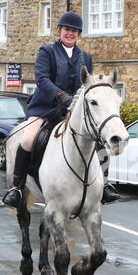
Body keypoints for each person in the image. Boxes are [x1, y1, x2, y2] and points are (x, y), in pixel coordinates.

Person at [2, 11, 119, 208]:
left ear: (79, 34)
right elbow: (42, 79)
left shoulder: (86, 57)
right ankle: (17, 188)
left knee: (97, 140)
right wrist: (60, 96)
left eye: (74, 31)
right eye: (67, 29)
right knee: (28, 139)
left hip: (72, 112)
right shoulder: (46, 51)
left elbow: (87, 85)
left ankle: (104, 185)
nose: (70, 33)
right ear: (59, 31)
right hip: (44, 109)